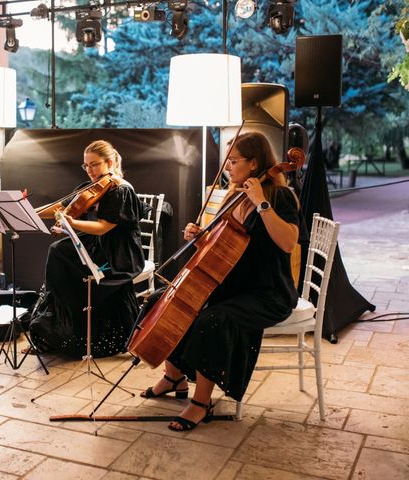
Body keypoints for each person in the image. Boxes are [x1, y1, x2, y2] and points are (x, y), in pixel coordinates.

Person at [140, 132, 300, 431]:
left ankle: (201, 402)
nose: (227, 167)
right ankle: (173, 376)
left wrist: (261, 203)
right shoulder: (232, 196)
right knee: (162, 297)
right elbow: (223, 251)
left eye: (233, 161)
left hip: (267, 292)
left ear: (254, 163)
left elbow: (289, 243)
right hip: (231, 284)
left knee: (211, 319)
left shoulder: (280, 197)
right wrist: (200, 238)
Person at [29, 140, 145, 358]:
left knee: (60, 253)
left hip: (118, 253)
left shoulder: (121, 190)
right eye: (86, 165)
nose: (90, 171)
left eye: (94, 165)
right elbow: (63, 208)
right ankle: (60, 330)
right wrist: (31, 212)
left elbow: (103, 228)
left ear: (109, 162)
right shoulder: (91, 188)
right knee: (59, 251)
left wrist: (71, 223)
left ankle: (71, 330)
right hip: (97, 245)